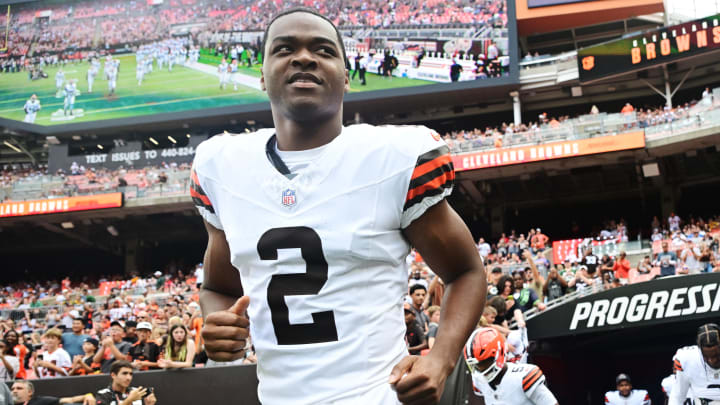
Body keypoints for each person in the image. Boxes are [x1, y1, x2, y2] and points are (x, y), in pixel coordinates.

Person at [195, 7, 486, 405]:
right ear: (260, 74)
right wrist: (217, 323)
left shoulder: (394, 156)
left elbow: (466, 272)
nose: (303, 58)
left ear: (346, 77)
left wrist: (440, 358)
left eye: (323, 50)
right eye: (284, 49)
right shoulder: (222, 167)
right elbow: (217, 287)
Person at [464, 328, 558, 404]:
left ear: (499, 353)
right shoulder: (478, 380)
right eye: (476, 365)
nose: (481, 368)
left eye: (484, 362)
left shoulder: (523, 376)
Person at [669, 323, 720, 404]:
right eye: (706, 357)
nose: (712, 360)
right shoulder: (687, 359)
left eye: (716, 356)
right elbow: (677, 396)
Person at [10, 380, 96, 405]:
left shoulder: (40, 401)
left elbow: (70, 400)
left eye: (19, 388)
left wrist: (87, 395)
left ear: (29, 392)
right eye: (12, 389)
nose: (14, 391)